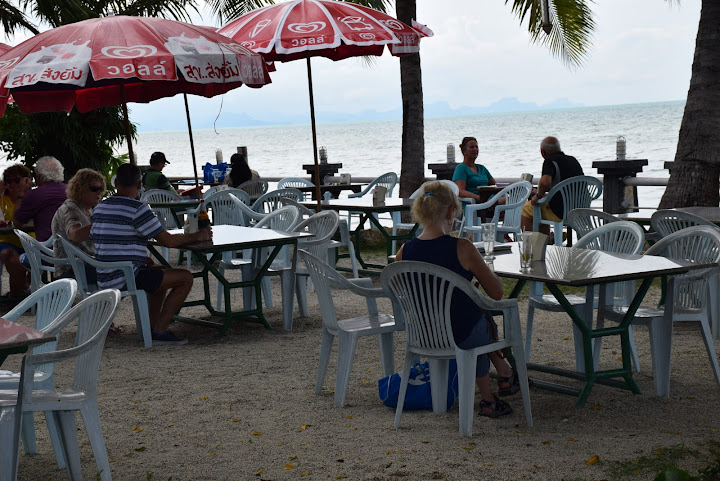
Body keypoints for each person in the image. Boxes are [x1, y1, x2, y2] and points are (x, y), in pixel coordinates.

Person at [396, 181, 520, 418]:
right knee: (479, 320)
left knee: (473, 317)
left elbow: (399, 286)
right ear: (452, 211)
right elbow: (496, 293)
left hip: (425, 333)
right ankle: (499, 381)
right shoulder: (462, 247)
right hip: (461, 334)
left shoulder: (405, 251)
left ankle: (494, 390)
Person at [91, 163, 212, 346]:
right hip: (126, 276)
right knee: (185, 277)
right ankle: (160, 331)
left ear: (116, 183)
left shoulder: (100, 208)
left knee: (160, 271)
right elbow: (168, 241)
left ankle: (153, 327)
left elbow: (110, 240)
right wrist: (197, 236)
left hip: (105, 273)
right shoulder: (137, 208)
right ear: (140, 185)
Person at [51, 168, 106, 284]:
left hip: (86, 264)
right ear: (81, 189)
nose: (99, 193)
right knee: (128, 273)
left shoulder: (87, 210)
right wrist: (104, 224)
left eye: (101, 189)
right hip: (73, 269)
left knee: (129, 270)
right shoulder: (70, 208)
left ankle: (105, 301)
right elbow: (75, 234)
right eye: (94, 189)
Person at [520, 136, 584, 235]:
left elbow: (545, 182)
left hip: (560, 212)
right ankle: (548, 239)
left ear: (543, 152)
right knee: (542, 206)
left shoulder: (549, 161)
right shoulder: (573, 160)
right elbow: (566, 188)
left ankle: (532, 245)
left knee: (527, 208)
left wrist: (537, 196)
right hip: (580, 210)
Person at [13, 156, 67, 243]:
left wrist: (21, 193)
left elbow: (17, 223)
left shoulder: (35, 194)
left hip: (48, 252)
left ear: (39, 176)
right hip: (76, 251)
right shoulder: (72, 191)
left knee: (22, 257)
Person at [0, 164, 32, 302]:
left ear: (26, 181)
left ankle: (17, 296)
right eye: (8, 180)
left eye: (16, 180)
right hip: (7, 240)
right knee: (10, 257)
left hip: (29, 239)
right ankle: (25, 291)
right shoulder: (2, 198)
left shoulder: (32, 197)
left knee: (34, 258)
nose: (12, 184)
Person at [452, 136, 498, 203]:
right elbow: (460, 191)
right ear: (464, 150)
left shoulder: (482, 168)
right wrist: (479, 198)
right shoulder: (461, 168)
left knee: (509, 197)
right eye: (471, 147)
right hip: (473, 203)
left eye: (476, 147)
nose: (475, 149)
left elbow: (495, 186)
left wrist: (491, 198)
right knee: (507, 200)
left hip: (488, 201)